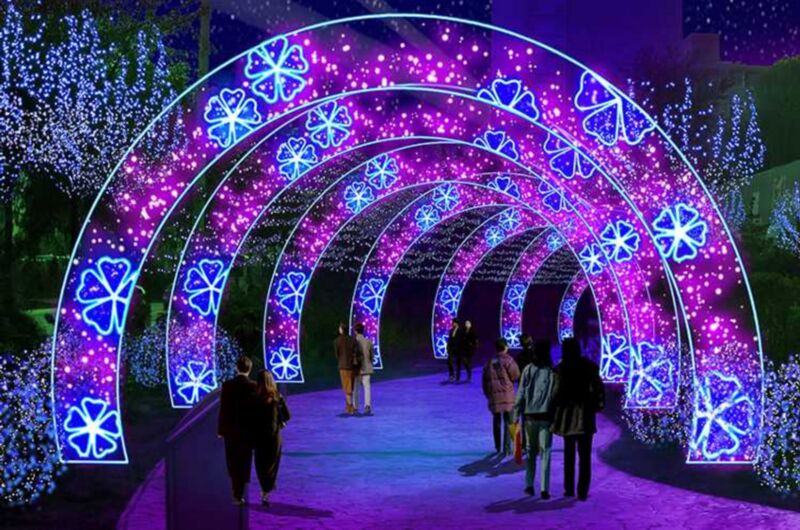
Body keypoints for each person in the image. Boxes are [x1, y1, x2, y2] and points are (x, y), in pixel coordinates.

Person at [552, 338, 605, 501]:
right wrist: (597, 406)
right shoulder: (590, 366)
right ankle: (582, 490)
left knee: (569, 454)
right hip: (586, 415)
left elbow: (555, 392)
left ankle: (569, 489)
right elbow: (598, 390)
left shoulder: (561, 369)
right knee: (585, 455)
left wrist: (554, 410)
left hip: (568, 416)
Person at [513, 339, 557, 499]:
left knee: (530, 451)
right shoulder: (551, 371)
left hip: (529, 416)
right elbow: (554, 395)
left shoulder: (528, 369)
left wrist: (516, 413)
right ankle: (545, 488)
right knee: (546, 451)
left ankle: (529, 485)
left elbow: (521, 393)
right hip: (545, 416)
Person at [218, 355, 257, 505]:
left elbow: (224, 409)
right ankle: (241, 490)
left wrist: (221, 430)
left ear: (236, 368)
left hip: (231, 430)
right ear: (249, 369)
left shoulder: (227, 385)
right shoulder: (254, 386)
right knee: (245, 459)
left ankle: (236, 492)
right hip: (247, 431)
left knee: (232, 460)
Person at [253, 369, 290, 506]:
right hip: (274, 437)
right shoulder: (277, 397)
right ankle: (267, 489)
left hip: (259, 437)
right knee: (272, 464)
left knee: (260, 464)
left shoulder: (254, 398)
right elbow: (287, 415)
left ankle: (265, 488)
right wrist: (280, 422)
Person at [481, 338, 521, 455]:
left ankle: (498, 446)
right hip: (507, 396)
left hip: (494, 396)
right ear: (505, 347)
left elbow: (484, 381)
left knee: (496, 421)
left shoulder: (489, 362)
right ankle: (508, 448)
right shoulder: (508, 360)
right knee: (510, 421)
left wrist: (488, 394)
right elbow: (515, 375)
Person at [334, 321, 361, 414]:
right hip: (352, 366)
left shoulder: (337, 341)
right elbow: (357, 352)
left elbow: (337, 355)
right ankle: (348, 407)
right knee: (350, 386)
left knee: (347, 387)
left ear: (341, 330)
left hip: (343, 366)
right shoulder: (353, 340)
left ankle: (350, 406)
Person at [353, 322, 374, 414]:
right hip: (366, 367)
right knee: (367, 387)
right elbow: (371, 355)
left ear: (355, 331)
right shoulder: (368, 341)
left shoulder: (353, 342)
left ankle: (355, 407)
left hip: (356, 368)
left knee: (356, 388)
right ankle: (367, 406)